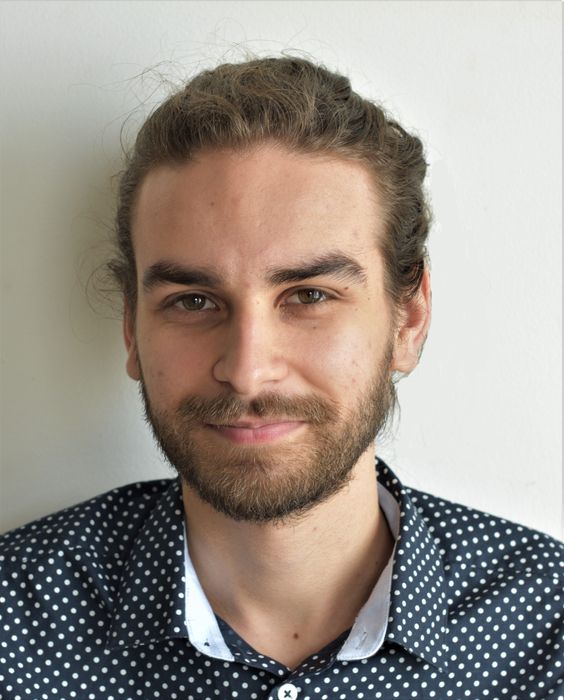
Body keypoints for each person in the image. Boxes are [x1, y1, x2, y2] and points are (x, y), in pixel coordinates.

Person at [0, 56, 562, 700]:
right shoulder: (16, 623)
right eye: (193, 301)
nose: (246, 372)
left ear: (408, 319)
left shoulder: (546, 632)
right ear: (132, 327)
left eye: (309, 296)